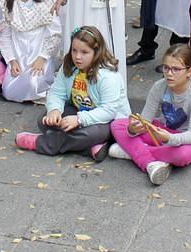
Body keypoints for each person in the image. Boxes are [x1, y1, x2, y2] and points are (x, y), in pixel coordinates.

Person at [14, 25, 130, 159]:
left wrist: (79, 120)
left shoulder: (108, 76)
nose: (77, 57)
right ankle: (91, 146)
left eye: (84, 52)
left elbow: (109, 111)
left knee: (92, 134)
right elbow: (57, 92)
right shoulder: (69, 66)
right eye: (74, 51)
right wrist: (54, 110)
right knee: (44, 121)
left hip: (107, 120)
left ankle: (43, 143)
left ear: (96, 52)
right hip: (78, 109)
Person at [106, 44, 191, 185]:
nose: (169, 73)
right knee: (117, 125)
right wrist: (133, 128)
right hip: (161, 130)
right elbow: (145, 120)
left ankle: (132, 152)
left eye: (176, 69)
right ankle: (151, 163)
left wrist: (169, 138)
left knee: (182, 156)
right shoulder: (159, 86)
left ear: (189, 72)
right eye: (166, 67)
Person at [0, 0, 61, 103]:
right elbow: (6, 36)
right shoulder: (8, 2)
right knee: (9, 91)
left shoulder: (46, 3)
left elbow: (55, 34)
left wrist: (42, 58)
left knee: (34, 85)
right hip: (18, 53)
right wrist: (12, 60)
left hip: (37, 53)